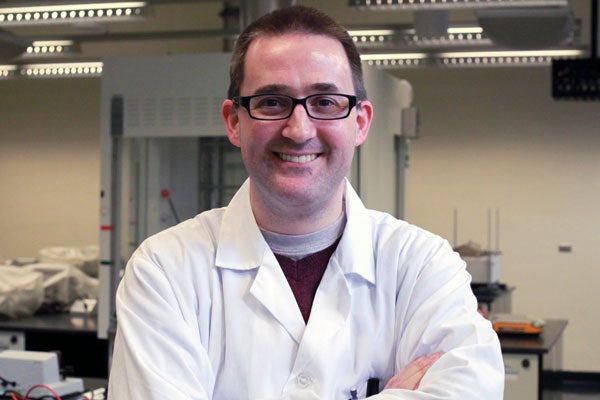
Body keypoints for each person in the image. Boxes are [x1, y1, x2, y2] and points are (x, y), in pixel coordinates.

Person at [108, 5, 504, 399]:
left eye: (325, 102)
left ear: (360, 122)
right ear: (234, 121)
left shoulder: (421, 267)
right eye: (272, 102)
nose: (298, 131)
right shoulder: (164, 272)